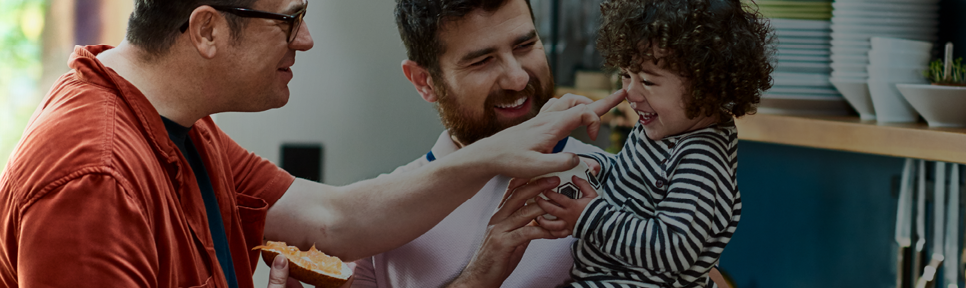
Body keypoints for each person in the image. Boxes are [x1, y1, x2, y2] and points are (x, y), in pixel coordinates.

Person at [0, 0, 621, 287]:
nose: (305, 41)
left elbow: (333, 219)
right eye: (290, 19)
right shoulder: (94, 176)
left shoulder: (189, 130)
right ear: (208, 29)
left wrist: (505, 149)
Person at [350, 0, 732, 287]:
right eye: (482, 61)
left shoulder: (625, 181)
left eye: (525, 45)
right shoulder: (369, 218)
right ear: (423, 81)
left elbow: (689, 266)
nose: (517, 78)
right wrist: (477, 278)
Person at [533, 0, 773, 286]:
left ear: (705, 86)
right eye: (626, 75)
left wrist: (588, 218)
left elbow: (672, 248)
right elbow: (634, 181)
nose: (630, 93)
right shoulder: (661, 128)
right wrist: (601, 167)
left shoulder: (702, 161)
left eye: (647, 81)